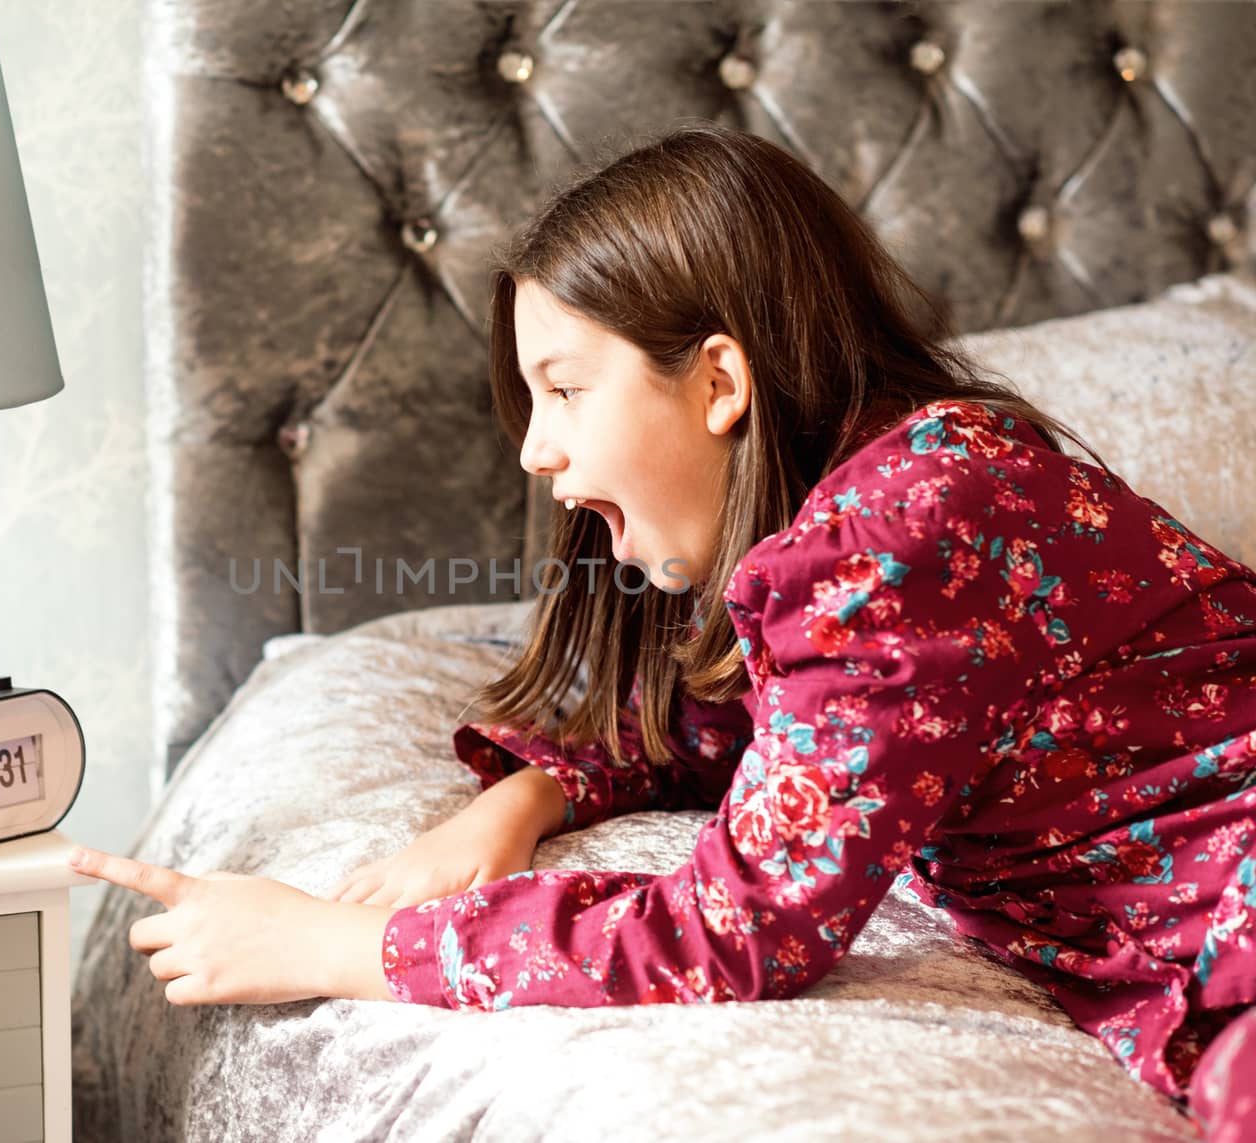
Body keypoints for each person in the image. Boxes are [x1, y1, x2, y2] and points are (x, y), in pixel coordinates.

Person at [69, 122, 1256, 1139]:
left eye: (565, 388)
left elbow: (736, 932)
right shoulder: (908, 492)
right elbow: (743, 724)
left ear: (719, 383)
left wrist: (335, 946)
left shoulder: (895, 537)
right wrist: (526, 797)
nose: (535, 451)